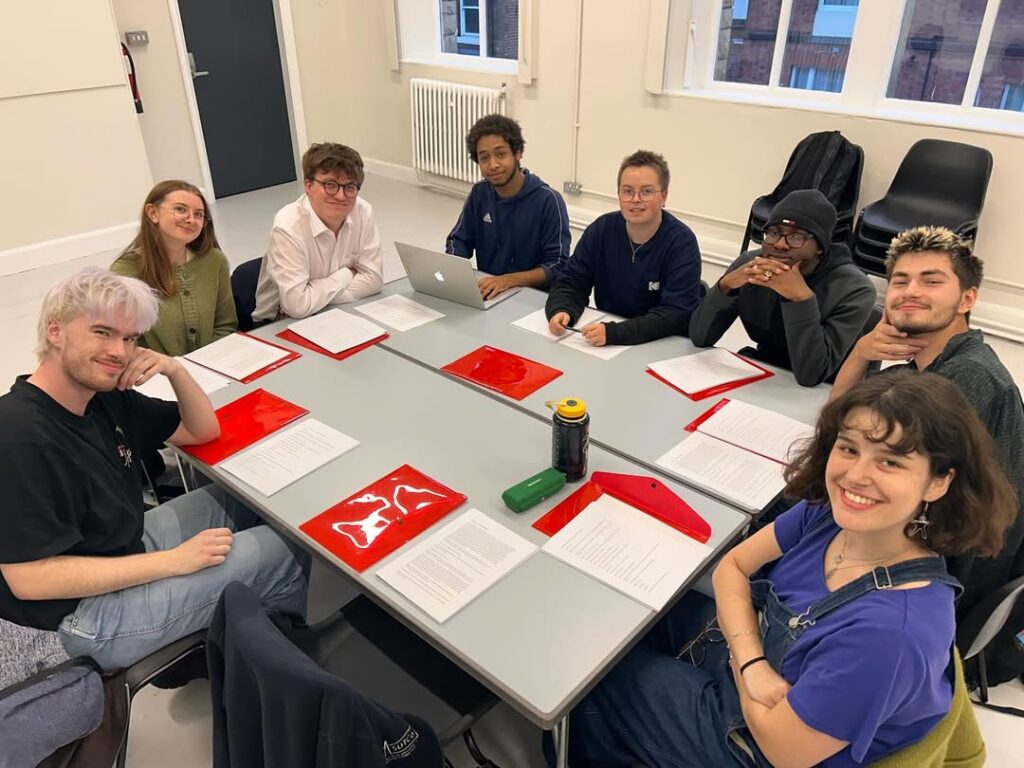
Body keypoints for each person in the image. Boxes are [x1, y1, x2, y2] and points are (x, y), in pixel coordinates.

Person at [562, 371, 1016, 768]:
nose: (856, 476)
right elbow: (733, 567)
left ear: (939, 481)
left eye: (891, 461)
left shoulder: (888, 635)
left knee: (598, 677)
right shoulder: (828, 515)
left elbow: (782, 750)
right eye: (849, 448)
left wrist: (742, 656)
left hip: (759, 748)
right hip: (753, 673)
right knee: (615, 628)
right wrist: (754, 664)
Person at [0, 268, 308, 671]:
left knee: (247, 502)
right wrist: (175, 562)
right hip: (79, 617)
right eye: (102, 332)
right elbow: (30, 580)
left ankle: (239, 629)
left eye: (129, 338)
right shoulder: (18, 434)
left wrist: (173, 368)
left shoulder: (102, 396)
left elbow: (201, 430)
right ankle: (277, 672)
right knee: (286, 550)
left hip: (119, 547)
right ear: (55, 332)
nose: (120, 352)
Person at [830, 225, 1024, 623]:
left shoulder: (965, 379)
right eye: (900, 280)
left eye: (931, 280)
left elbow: (854, 460)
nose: (911, 291)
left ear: (967, 298)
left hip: (941, 575)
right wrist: (861, 352)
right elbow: (838, 427)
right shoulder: (928, 365)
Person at [689, 189, 875, 386]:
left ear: (820, 246)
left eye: (796, 237)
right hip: (765, 372)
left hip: (828, 386)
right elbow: (700, 338)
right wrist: (725, 287)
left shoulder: (855, 289)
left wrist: (800, 299)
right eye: (773, 233)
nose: (779, 244)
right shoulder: (750, 265)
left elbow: (812, 374)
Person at [545, 150, 702, 346]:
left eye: (646, 191)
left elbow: (674, 314)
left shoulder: (682, 243)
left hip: (661, 344)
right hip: (607, 343)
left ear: (663, 196)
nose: (636, 199)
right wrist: (562, 309)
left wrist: (614, 333)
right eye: (627, 191)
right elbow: (571, 281)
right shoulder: (601, 229)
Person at [253, 143, 383, 323]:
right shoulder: (289, 225)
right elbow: (297, 307)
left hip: (333, 312)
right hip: (278, 322)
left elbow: (374, 280)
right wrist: (347, 274)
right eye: (330, 185)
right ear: (308, 186)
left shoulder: (363, 211)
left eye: (349, 187)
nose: (340, 195)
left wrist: (315, 297)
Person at [445, 114, 570, 299]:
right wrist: (456, 274)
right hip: (490, 293)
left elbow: (557, 265)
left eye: (501, 154)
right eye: (484, 158)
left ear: (518, 153)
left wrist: (508, 280)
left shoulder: (549, 200)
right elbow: (458, 240)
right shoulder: (480, 193)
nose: (493, 164)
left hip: (534, 299)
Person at [110, 180, 237, 356]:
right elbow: (121, 341)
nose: (191, 219)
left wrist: (208, 361)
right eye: (181, 209)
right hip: (153, 375)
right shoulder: (124, 273)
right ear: (153, 213)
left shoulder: (215, 261)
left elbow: (225, 324)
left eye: (199, 214)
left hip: (213, 366)